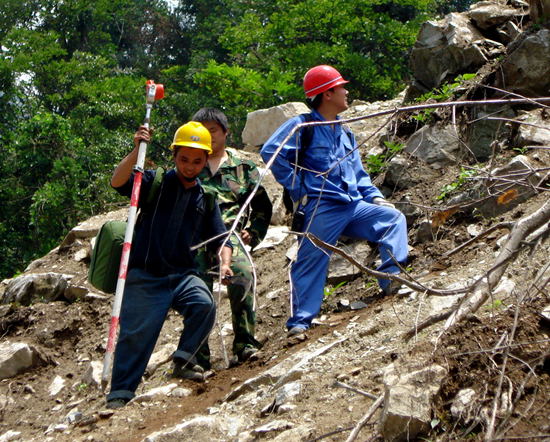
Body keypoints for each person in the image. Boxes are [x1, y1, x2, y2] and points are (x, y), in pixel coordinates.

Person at [260, 65, 408, 336]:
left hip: (352, 205)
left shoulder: (345, 131)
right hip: (321, 206)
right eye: (341, 87)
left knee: (393, 219)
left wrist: (375, 198)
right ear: (327, 94)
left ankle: (393, 279)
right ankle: (300, 323)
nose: (346, 91)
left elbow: (359, 174)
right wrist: (298, 188)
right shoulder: (303, 125)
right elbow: (272, 151)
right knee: (311, 259)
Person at [105, 121, 233, 409]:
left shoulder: (207, 197)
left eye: (197, 161)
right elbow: (118, 182)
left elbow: (221, 239)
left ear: (206, 160)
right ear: (174, 156)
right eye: (184, 159)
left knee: (204, 304)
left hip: (182, 275)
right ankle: (120, 395)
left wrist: (225, 263)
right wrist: (137, 148)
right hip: (145, 275)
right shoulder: (156, 182)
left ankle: (184, 360)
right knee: (135, 337)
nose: (189, 166)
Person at [191, 108, 273, 365]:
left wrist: (255, 233)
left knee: (243, 276)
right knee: (196, 294)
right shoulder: (190, 165)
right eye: (202, 130)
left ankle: (245, 344)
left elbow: (262, 206)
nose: (208, 136)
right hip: (194, 239)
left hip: (229, 236)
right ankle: (197, 357)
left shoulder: (244, 168)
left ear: (226, 132)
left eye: (213, 130)